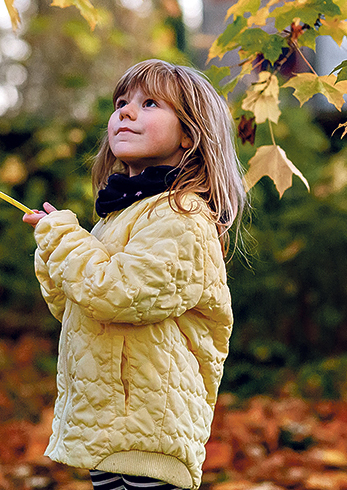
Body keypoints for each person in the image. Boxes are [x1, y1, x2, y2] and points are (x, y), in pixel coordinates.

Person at [22, 59, 246, 490]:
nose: (126, 112)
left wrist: (68, 240)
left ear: (189, 134)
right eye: (122, 102)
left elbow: (119, 294)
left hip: (151, 433)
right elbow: (73, 303)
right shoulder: (119, 216)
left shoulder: (183, 215)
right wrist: (53, 244)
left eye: (149, 104)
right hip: (111, 428)